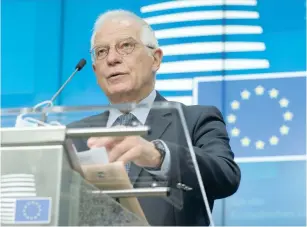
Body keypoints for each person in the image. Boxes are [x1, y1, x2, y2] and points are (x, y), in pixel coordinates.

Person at [68, 9, 241, 226]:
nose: (112, 58)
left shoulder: (196, 119)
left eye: (126, 46)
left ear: (155, 59)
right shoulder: (74, 135)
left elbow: (226, 176)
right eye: (102, 51)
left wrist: (158, 155)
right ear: (95, 70)